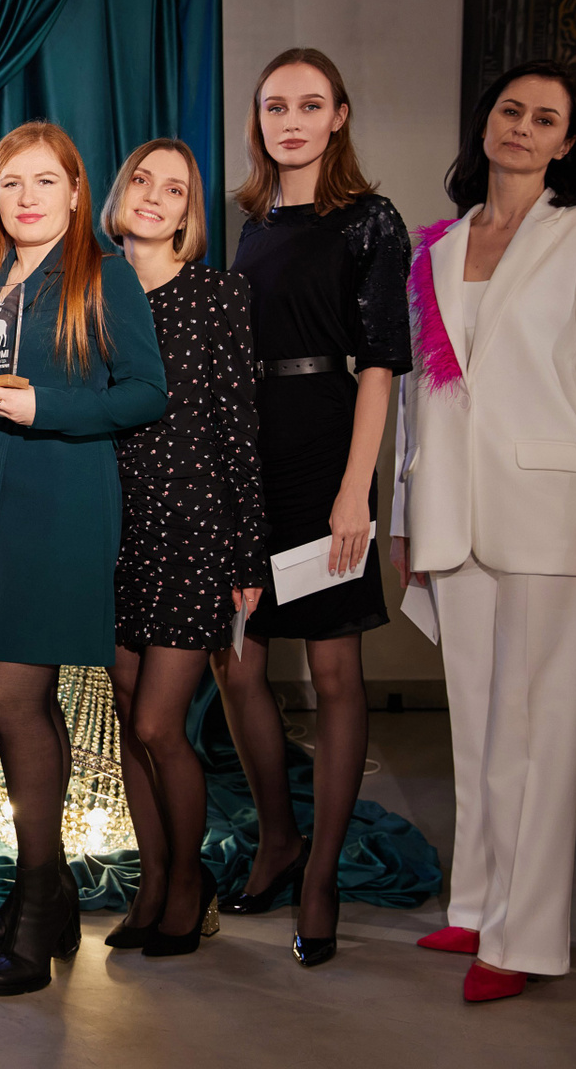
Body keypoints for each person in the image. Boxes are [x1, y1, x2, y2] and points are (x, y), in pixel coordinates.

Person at [391, 59, 576, 1002]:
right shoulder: (441, 245)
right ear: (486, 123)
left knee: (536, 737)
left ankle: (525, 938)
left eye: (545, 119)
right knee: (478, 728)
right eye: (511, 110)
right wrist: (407, 516)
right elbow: (418, 398)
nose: (523, 128)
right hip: (454, 517)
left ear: (565, 144)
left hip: (556, 516)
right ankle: (478, 903)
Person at [0, 122, 167, 995]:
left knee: (12, 695)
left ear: (76, 193)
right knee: (16, 699)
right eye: (10, 183)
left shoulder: (104, 275)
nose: (26, 197)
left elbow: (144, 393)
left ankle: (41, 902)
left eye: (44, 181)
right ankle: (46, 887)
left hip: (66, 502)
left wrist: (44, 406)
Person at [218, 48, 412, 968]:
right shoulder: (250, 223)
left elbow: (379, 364)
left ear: (339, 116)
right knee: (237, 665)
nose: (290, 121)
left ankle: (322, 875)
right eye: (274, 107)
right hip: (247, 455)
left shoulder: (370, 219)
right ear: (257, 121)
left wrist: (352, 493)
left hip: (328, 451)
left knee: (334, 672)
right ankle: (277, 838)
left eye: (308, 105)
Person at [97, 139, 268, 957]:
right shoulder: (91, 291)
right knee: (128, 720)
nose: (154, 196)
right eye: (142, 180)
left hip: (193, 528)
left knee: (160, 723)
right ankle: (154, 880)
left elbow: (239, 429)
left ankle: (190, 883)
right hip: (111, 527)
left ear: (188, 212)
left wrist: (249, 558)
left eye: (174, 189)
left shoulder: (216, 294)